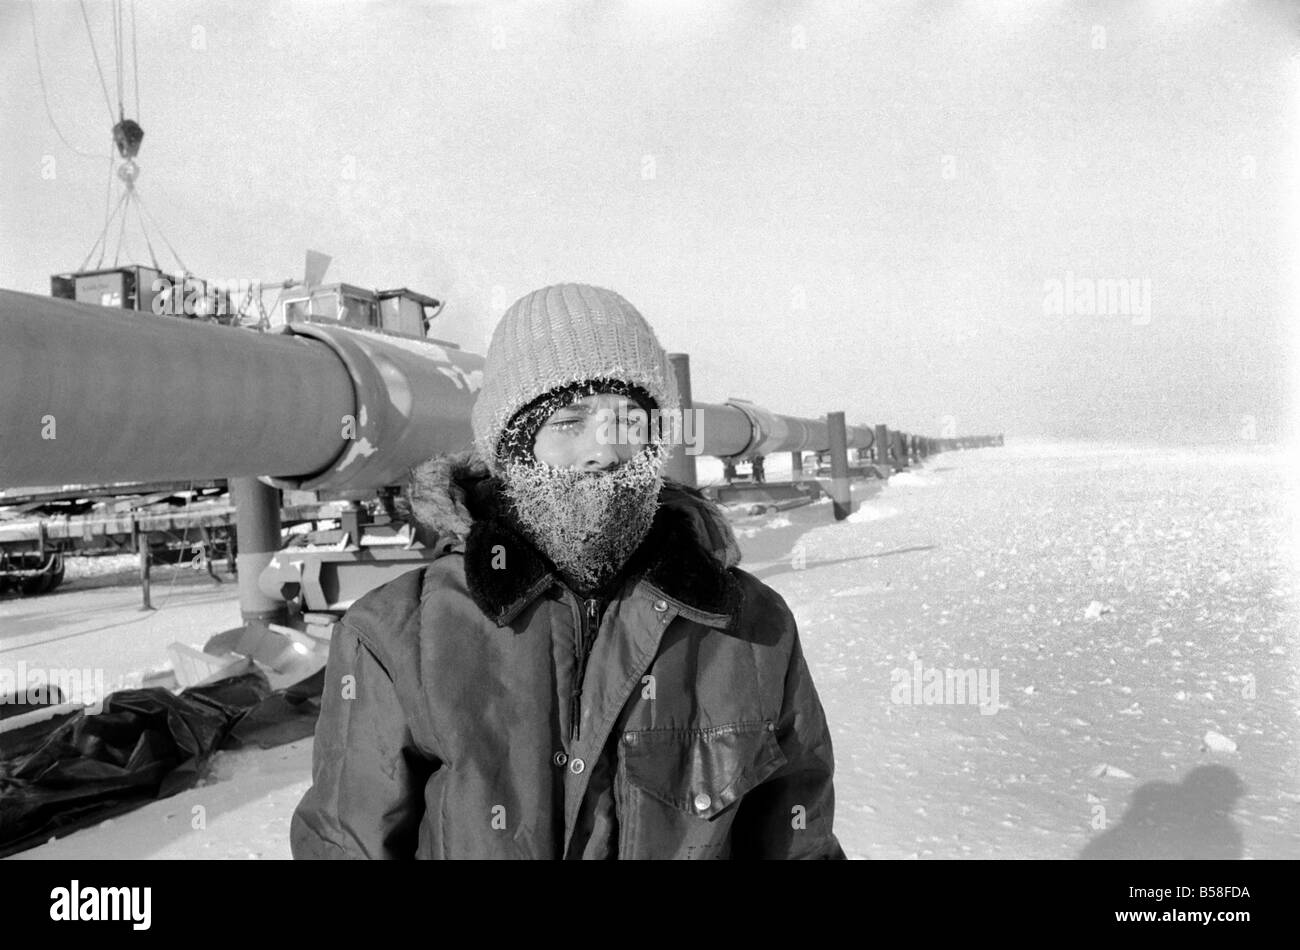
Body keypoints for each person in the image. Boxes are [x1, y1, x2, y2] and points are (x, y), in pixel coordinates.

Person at [290, 283, 845, 859]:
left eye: (630, 422)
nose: (603, 451)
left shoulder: (749, 629)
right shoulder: (396, 634)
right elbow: (346, 844)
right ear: (510, 449)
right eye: (569, 421)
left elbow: (798, 842)